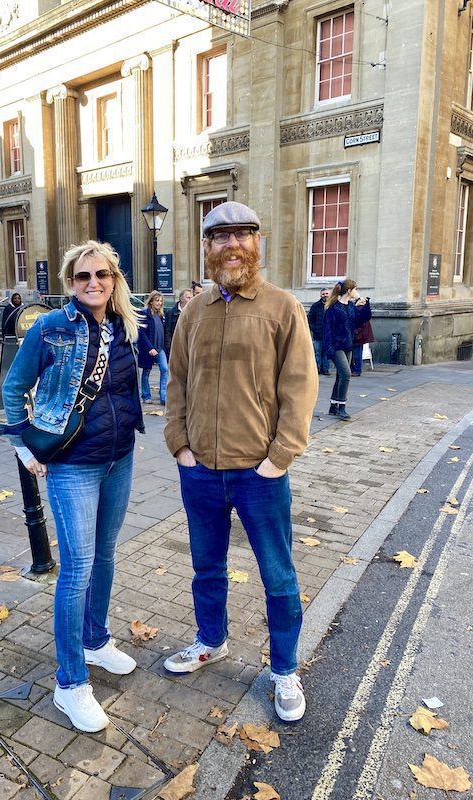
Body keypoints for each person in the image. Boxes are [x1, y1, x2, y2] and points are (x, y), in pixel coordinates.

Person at [163, 201, 318, 723]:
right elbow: (177, 381)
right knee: (207, 568)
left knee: (278, 576)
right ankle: (211, 641)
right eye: (220, 236)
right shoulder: (193, 311)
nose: (232, 245)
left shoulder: (282, 308)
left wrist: (279, 458)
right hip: (200, 472)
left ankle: (285, 670)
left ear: (258, 244)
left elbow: (299, 387)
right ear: (206, 249)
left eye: (243, 235)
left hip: (260, 475)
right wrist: (179, 445)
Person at [0, 240, 143, 733]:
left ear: (114, 279)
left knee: (105, 556)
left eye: (101, 275)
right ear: (70, 282)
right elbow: (13, 386)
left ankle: (95, 641)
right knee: (76, 569)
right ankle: (69, 683)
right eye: (83, 277)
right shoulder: (50, 327)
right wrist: (22, 446)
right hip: (72, 464)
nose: (93, 283)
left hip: (118, 458)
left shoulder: (127, 323)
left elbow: (126, 388)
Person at [323, 280, 372, 420]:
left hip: (347, 346)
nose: (357, 291)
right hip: (335, 347)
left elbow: (362, 319)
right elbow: (327, 330)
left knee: (340, 376)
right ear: (349, 290)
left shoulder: (350, 306)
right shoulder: (333, 308)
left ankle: (333, 406)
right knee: (346, 374)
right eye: (355, 289)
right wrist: (329, 349)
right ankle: (341, 407)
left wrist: (365, 303)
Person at [138, 290, 168, 405]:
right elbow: (141, 333)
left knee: (165, 369)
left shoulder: (160, 315)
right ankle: (146, 395)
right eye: (157, 300)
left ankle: (163, 396)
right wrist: (150, 348)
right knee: (146, 372)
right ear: (151, 301)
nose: (159, 303)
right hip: (148, 349)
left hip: (160, 348)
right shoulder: (144, 313)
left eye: (161, 301)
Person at [307, 287, 330, 375]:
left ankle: (325, 369)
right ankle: (317, 369)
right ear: (321, 295)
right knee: (317, 353)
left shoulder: (332, 305)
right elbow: (310, 319)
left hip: (328, 334)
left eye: (326, 294)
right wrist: (314, 329)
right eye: (323, 294)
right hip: (318, 334)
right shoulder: (315, 306)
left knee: (326, 353)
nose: (325, 296)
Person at [164, 288, 192, 358]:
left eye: (192, 298)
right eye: (188, 298)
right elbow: (167, 332)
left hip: (189, 347)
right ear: (181, 299)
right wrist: (169, 348)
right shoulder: (170, 313)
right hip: (175, 347)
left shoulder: (194, 313)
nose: (191, 300)